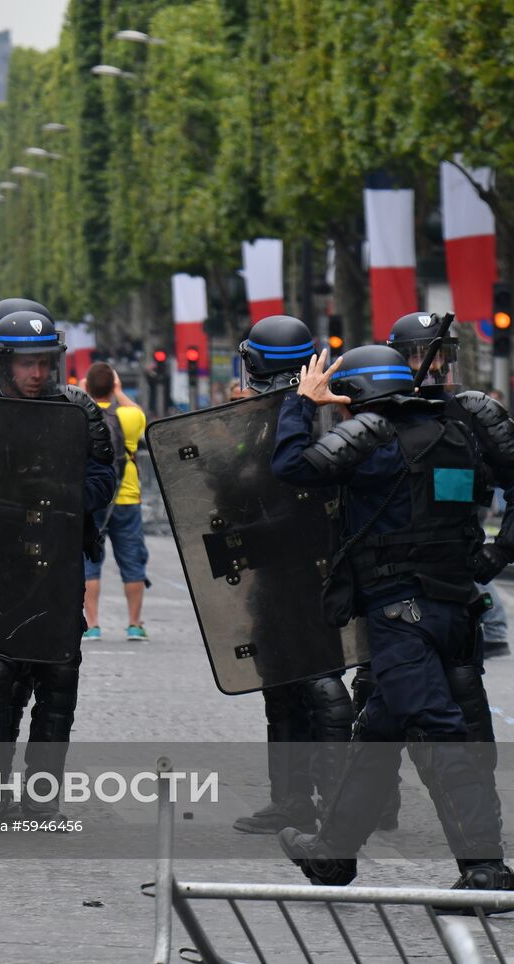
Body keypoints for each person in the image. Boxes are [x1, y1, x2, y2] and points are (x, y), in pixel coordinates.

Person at [272, 345, 514, 892]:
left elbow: (292, 467)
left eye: (343, 399)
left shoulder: (374, 438)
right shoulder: (452, 435)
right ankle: (333, 854)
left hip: (401, 615)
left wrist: (301, 403)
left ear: (357, 394)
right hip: (453, 612)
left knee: (438, 733)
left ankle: (483, 866)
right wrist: (497, 556)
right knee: (377, 733)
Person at [0, 310, 117, 821]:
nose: (36, 373)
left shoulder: (77, 409)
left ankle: (40, 798)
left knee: (58, 675)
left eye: (44, 362)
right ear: (4, 362)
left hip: (57, 562)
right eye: (26, 363)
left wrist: (60, 496)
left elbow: (103, 477)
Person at [220, 315, 356, 836]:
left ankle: (334, 800)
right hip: (288, 566)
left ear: (253, 364)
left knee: (317, 682)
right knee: (283, 684)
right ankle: (297, 800)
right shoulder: (333, 411)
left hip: (303, 568)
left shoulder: (298, 416)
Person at [386, 311, 509, 659]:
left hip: (455, 578)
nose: (432, 364)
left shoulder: (471, 414)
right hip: (391, 583)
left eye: (439, 354)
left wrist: (501, 549)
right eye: (418, 354)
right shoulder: (377, 417)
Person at [81, 362, 149, 641]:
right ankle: (134, 623)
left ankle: (93, 624)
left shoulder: (82, 415)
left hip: (94, 497)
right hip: (126, 495)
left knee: (88, 562)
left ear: (87, 387)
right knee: (132, 560)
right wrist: (118, 391)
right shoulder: (129, 417)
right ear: (113, 386)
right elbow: (138, 412)